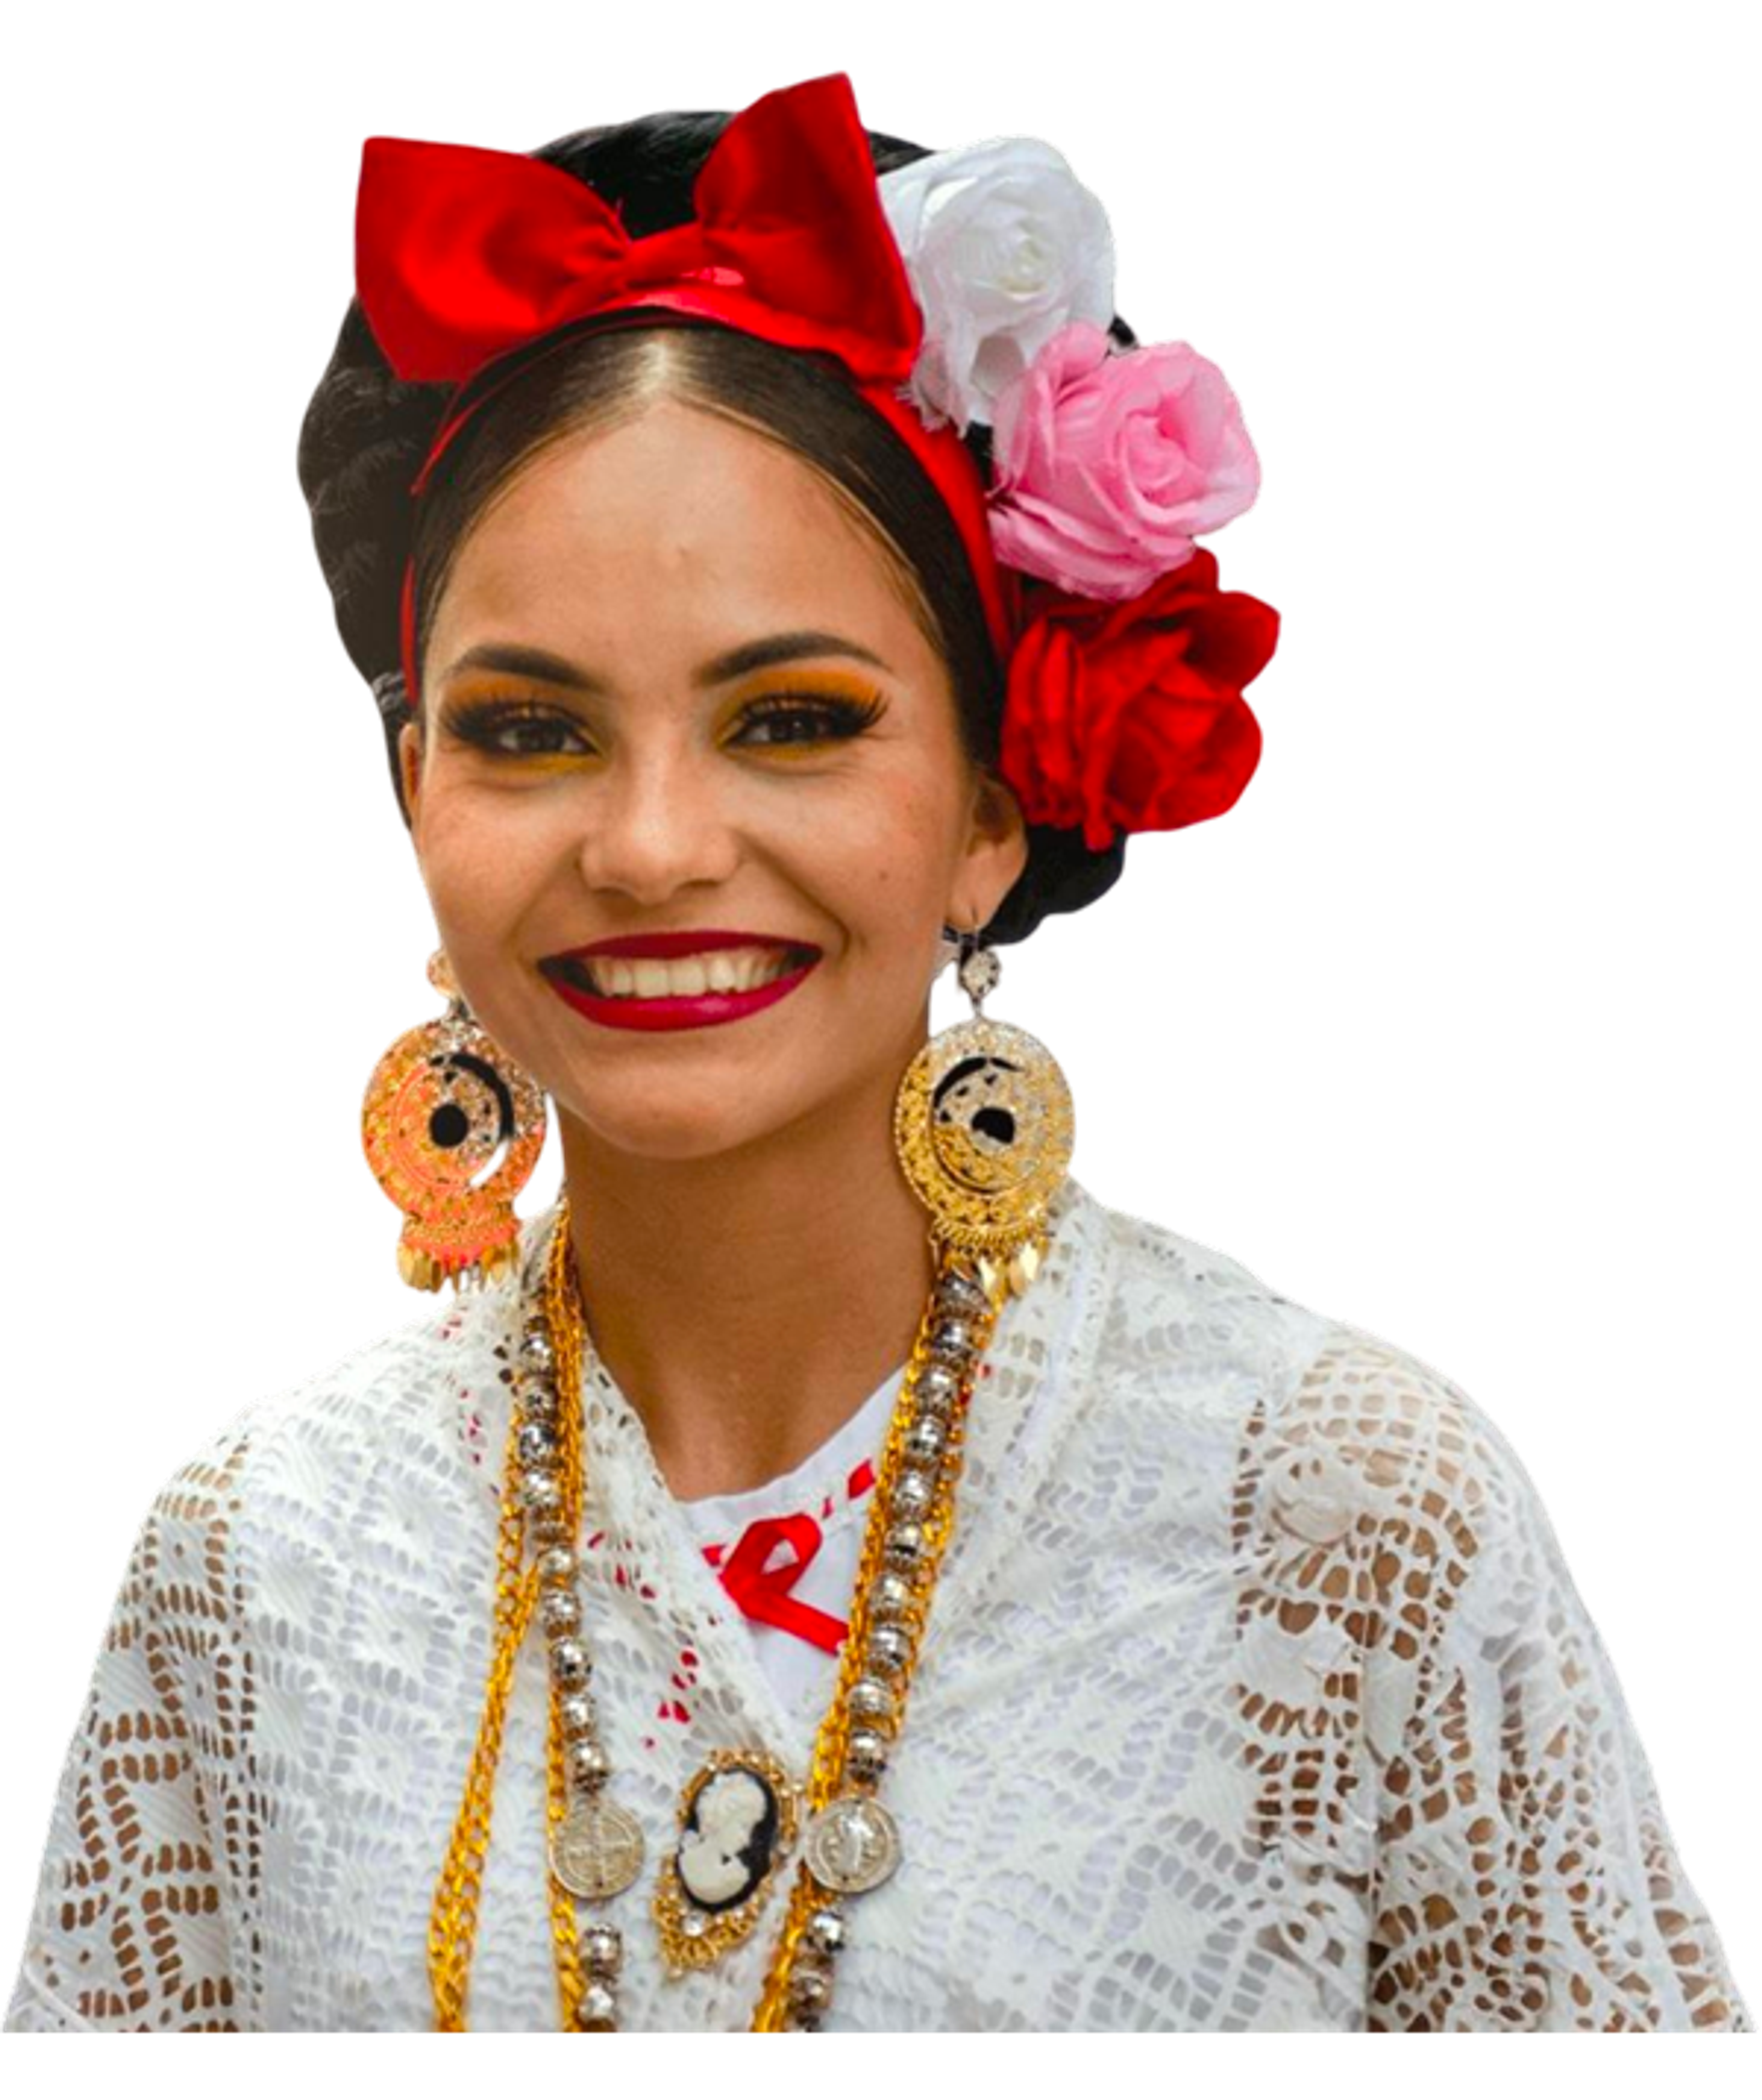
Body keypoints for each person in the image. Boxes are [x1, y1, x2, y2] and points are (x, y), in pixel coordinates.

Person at [2, 74, 1749, 2036]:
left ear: (993, 800)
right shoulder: (259, 1560)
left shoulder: (1340, 1511)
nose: (655, 846)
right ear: (414, 795)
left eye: (797, 720)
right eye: (531, 729)